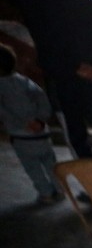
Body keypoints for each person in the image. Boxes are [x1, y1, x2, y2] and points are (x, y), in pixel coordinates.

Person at [13, 0, 92, 159]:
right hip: (87, 76)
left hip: (63, 78)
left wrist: (88, 68)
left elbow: (47, 44)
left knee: (78, 138)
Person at [0, 41, 60, 204]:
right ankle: (60, 190)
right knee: (50, 164)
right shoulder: (24, 81)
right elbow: (42, 98)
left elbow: (4, 111)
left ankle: (46, 193)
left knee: (33, 167)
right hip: (42, 133)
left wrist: (22, 124)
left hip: (21, 137)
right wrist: (40, 120)